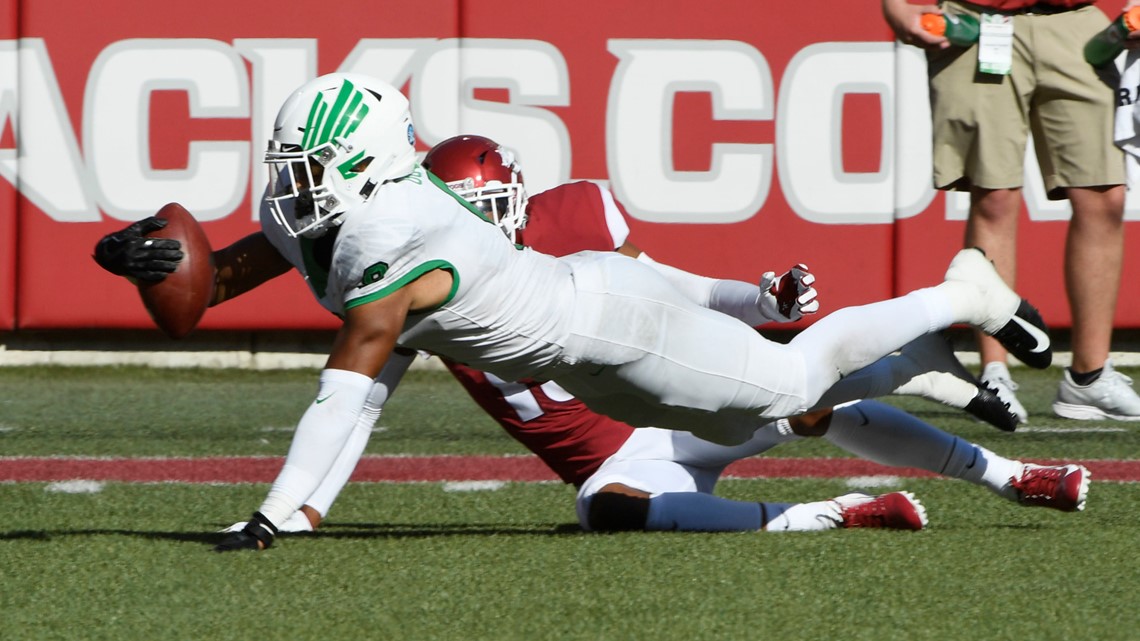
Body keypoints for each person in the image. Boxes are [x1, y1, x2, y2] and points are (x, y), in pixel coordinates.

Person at [94, 73, 1053, 551]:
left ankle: (960, 291)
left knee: (797, 379)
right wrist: (144, 258)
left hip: (609, 326)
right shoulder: (324, 214)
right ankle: (913, 360)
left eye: (312, 173)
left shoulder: (404, 235)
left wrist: (267, 516)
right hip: (599, 356)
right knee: (766, 409)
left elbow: (351, 383)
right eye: (289, 171)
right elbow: (218, 281)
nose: (292, 191)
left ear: (370, 170)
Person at [882, 0, 1140, 423]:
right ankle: (995, 373)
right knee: (994, 196)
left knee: (1104, 195)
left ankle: (1089, 377)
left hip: (1078, 24)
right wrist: (894, 6)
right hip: (979, 21)